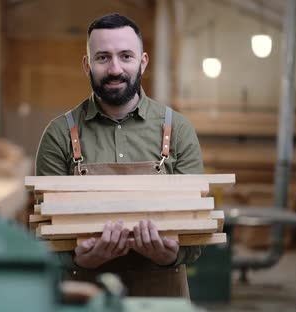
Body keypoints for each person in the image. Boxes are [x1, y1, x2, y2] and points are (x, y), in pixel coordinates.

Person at [35, 13, 204, 298]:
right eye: (103, 58)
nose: (115, 68)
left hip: (161, 298)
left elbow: (197, 234)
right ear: (87, 64)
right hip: (86, 295)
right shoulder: (59, 134)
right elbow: (42, 237)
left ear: (143, 61)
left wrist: (170, 256)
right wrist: (79, 259)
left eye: (126, 56)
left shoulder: (178, 130)